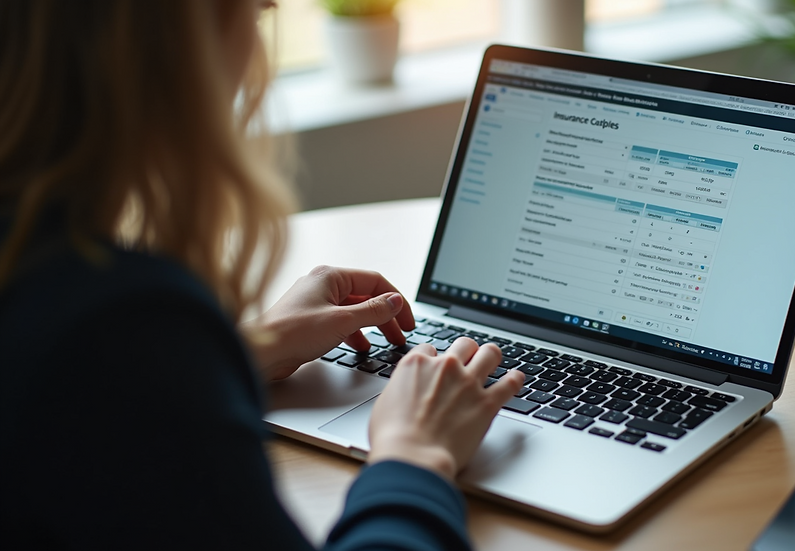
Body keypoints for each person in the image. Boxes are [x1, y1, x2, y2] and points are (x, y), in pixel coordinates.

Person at [0, 1, 524, 549]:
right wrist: (415, 456)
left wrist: (241, 352)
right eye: (255, 8)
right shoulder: (118, 323)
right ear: (178, 42)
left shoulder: (54, 291)